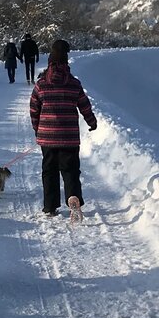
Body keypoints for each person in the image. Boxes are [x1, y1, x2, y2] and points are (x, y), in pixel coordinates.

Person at [29, 39, 97, 217]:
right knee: (70, 170)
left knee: (49, 171)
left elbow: (34, 109)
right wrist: (92, 122)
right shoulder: (74, 83)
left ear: (50, 62)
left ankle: (50, 207)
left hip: (47, 137)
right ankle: (73, 196)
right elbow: (84, 105)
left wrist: (38, 128)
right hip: (69, 137)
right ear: (67, 62)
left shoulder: (41, 84)